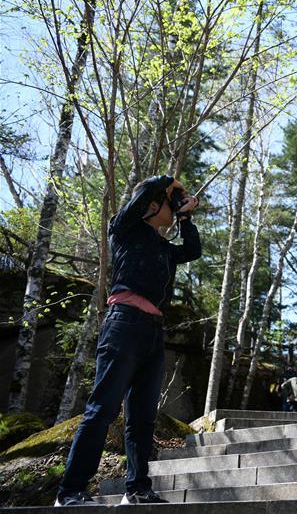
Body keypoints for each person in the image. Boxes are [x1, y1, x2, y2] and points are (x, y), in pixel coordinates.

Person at [55, 176, 200, 507]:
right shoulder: (123, 229)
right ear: (152, 205)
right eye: (169, 202)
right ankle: (70, 492)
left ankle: (136, 489)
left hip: (153, 331)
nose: (173, 206)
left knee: (142, 418)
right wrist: (169, 182)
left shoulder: (163, 248)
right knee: (102, 409)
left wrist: (184, 216)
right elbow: (145, 193)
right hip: (123, 324)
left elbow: (193, 250)